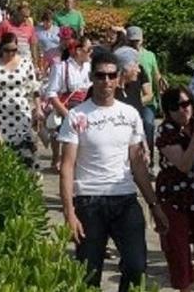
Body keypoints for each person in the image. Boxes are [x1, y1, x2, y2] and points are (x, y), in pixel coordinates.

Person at [58, 51, 169, 292]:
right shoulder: (77, 116)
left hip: (125, 198)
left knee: (136, 266)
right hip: (89, 201)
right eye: (100, 76)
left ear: (118, 78)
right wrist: (69, 213)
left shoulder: (130, 114)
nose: (106, 81)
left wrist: (154, 205)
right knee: (89, 273)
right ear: (92, 77)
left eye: (111, 75)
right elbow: (67, 166)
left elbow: (138, 165)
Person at [155, 86, 194, 292]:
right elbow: (184, 164)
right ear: (168, 111)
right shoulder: (166, 130)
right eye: (175, 107)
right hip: (174, 194)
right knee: (178, 250)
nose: (183, 110)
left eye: (186, 104)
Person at [0, 33, 44, 170]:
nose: (10, 53)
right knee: (0, 144)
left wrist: (38, 108)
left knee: (24, 147)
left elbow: (34, 87)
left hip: (21, 111)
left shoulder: (25, 63)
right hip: (0, 112)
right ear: (1, 48)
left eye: (14, 50)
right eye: (7, 50)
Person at [45, 35, 93, 171]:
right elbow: (51, 93)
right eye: (88, 49)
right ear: (78, 51)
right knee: (62, 133)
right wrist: (66, 113)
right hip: (67, 105)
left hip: (86, 105)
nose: (91, 53)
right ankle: (58, 158)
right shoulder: (61, 67)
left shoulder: (89, 67)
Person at [127, 26, 165, 159]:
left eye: (137, 40)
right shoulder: (124, 56)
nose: (135, 43)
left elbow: (156, 74)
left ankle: (148, 160)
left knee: (148, 125)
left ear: (142, 40)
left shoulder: (150, 55)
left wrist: (161, 86)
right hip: (129, 99)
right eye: (132, 41)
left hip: (147, 100)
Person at [113, 46, 153, 156]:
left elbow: (138, 121)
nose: (139, 70)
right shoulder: (109, 92)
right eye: (136, 65)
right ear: (125, 69)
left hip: (134, 147)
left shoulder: (133, 87)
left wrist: (144, 145)